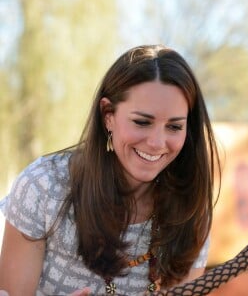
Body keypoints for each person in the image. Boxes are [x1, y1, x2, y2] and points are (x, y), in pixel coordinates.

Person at [0, 44, 220, 295]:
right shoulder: (43, 186)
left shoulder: (190, 211)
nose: (158, 143)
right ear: (108, 115)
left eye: (174, 127)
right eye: (142, 122)